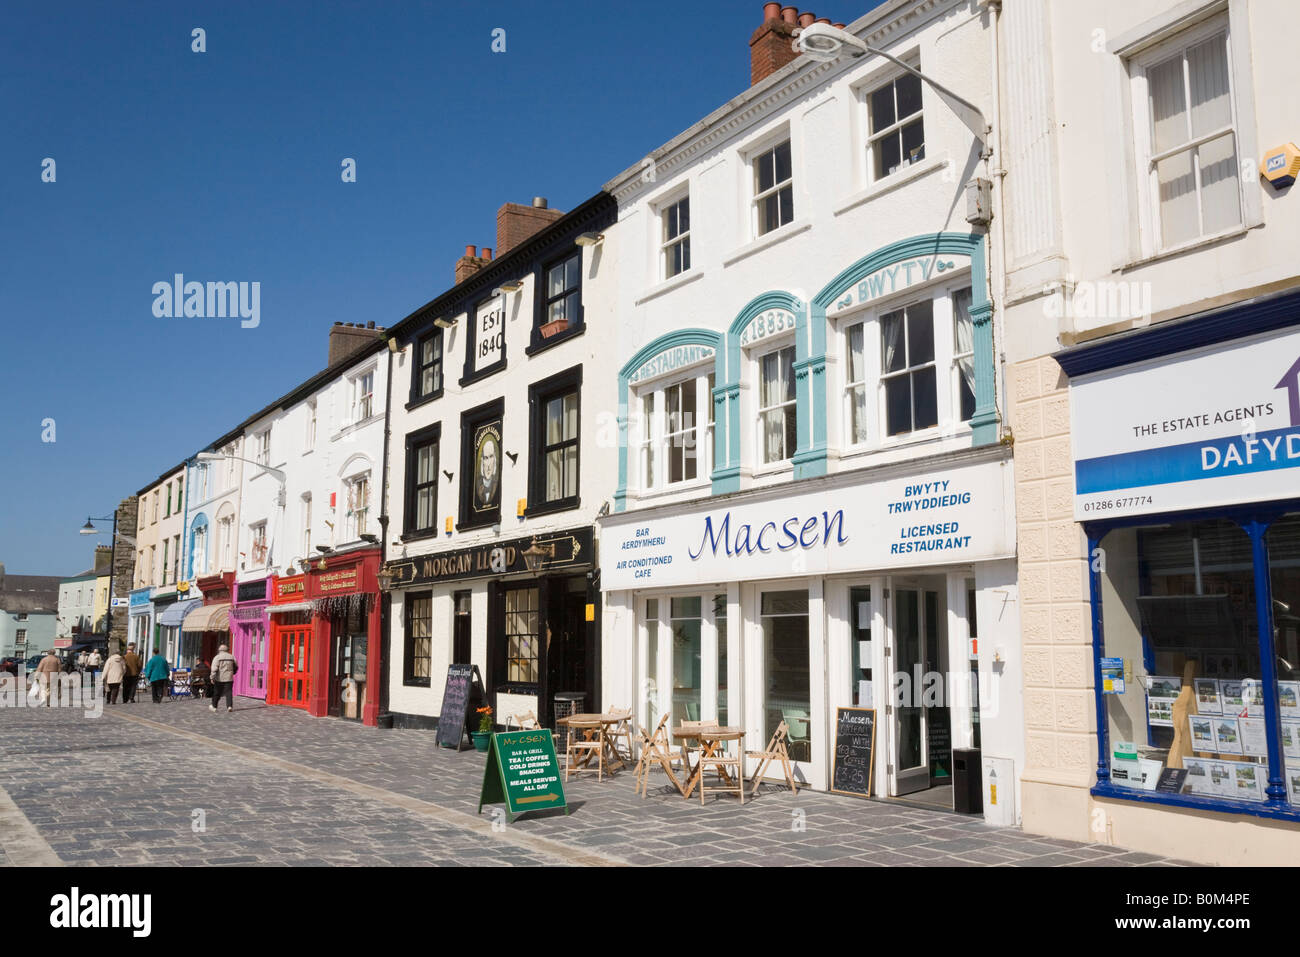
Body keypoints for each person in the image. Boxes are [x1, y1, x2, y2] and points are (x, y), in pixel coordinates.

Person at [209, 644, 238, 713]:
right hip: (229, 677)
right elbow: (236, 666)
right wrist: (233, 673)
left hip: (219, 678)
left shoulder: (217, 657)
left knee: (217, 692)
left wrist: (212, 677)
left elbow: (214, 668)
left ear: (219, 650)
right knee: (229, 692)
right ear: (227, 650)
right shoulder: (232, 657)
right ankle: (229, 706)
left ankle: (214, 706)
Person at [474, 433, 500, 509]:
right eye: (486, 458)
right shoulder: (479, 488)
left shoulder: (495, 485)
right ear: (482, 461)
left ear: (494, 460)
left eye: (491, 457)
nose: (488, 464)